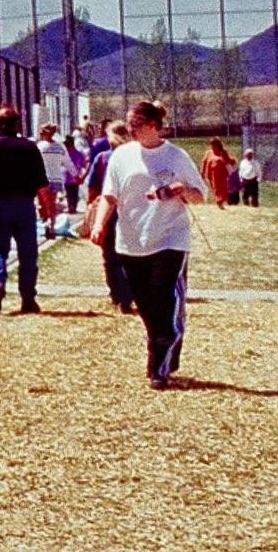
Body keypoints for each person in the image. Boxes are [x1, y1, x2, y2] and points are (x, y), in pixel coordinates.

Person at [89, 100, 204, 390]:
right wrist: (100, 224)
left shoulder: (176, 157)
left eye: (134, 126)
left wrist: (181, 189)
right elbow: (110, 196)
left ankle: (158, 367)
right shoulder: (121, 157)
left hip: (170, 241)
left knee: (165, 301)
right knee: (148, 307)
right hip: (131, 242)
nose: (129, 130)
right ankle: (165, 350)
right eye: (128, 125)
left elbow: (200, 196)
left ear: (153, 126)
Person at [0, 106, 48, 314]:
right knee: (28, 254)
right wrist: (47, 210)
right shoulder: (29, 148)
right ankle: (28, 299)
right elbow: (42, 184)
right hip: (25, 205)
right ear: (17, 124)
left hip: (0, 204)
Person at [86, 120, 135, 314]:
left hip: (108, 210)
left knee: (110, 255)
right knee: (130, 254)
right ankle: (128, 294)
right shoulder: (134, 158)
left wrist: (93, 205)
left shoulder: (102, 158)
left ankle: (117, 293)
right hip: (131, 210)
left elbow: (93, 186)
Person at [36, 123, 72, 232]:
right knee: (51, 204)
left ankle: (47, 223)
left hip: (42, 179)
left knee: (43, 204)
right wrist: (76, 176)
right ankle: (51, 225)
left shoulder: (40, 146)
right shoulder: (60, 146)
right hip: (56, 179)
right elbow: (67, 162)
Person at [201, 137, 232, 209]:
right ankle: (219, 202)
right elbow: (204, 162)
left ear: (218, 145)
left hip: (222, 174)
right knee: (216, 188)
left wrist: (230, 161)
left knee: (224, 189)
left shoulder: (223, 152)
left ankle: (221, 200)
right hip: (212, 174)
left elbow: (229, 161)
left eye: (214, 145)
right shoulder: (208, 153)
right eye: (211, 145)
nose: (212, 146)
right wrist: (202, 172)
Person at [63, 134, 87, 214]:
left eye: (68, 147)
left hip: (75, 179)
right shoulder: (64, 154)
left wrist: (83, 176)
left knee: (75, 194)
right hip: (66, 178)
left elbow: (84, 164)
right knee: (69, 194)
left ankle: (73, 207)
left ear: (72, 145)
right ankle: (71, 207)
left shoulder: (78, 154)